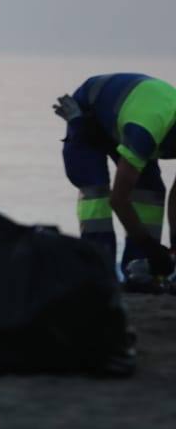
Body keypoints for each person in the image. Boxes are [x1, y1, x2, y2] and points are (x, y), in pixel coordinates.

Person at [55, 73, 176, 278]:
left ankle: (140, 269)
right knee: (96, 191)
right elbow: (119, 200)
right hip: (89, 113)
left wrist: (174, 248)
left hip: (130, 114)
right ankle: (98, 272)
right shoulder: (145, 131)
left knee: (150, 192)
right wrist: (150, 247)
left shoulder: (152, 132)